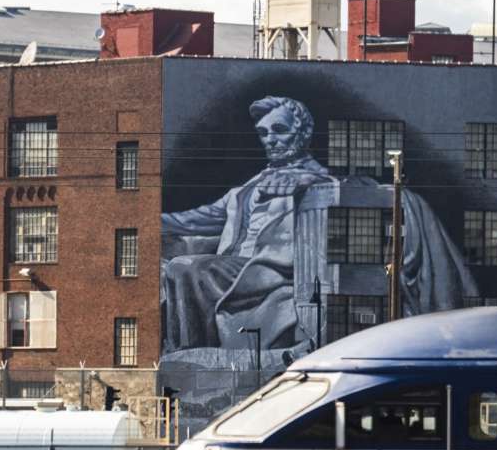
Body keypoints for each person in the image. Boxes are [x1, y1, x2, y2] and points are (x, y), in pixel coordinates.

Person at [161, 95, 475, 358]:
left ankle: (192, 350)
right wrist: (147, 219)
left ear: (302, 134)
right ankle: (189, 352)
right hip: (232, 269)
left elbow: (351, 191)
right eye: (263, 132)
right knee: (178, 267)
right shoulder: (247, 188)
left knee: (186, 268)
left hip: (271, 272)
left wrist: (306, 183)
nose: (270, 139)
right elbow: (194, 218)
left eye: (279, 130)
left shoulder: (320, 180)